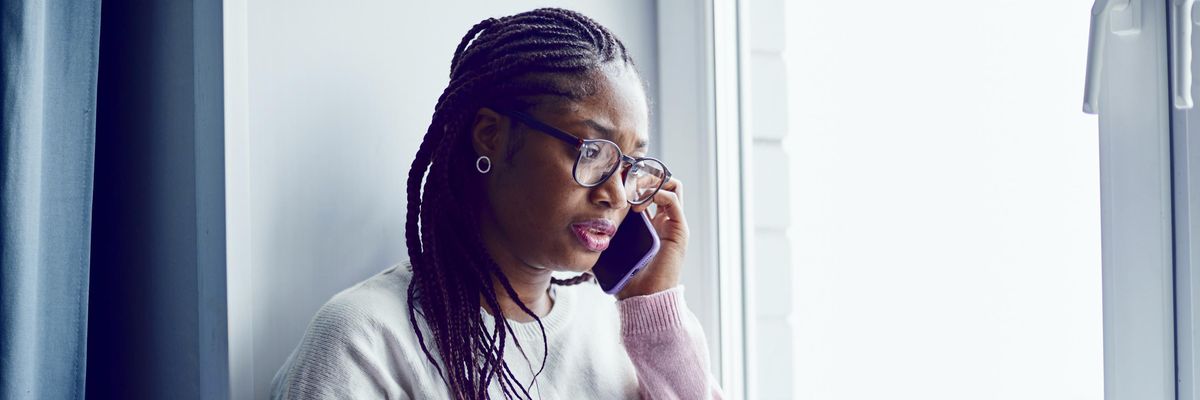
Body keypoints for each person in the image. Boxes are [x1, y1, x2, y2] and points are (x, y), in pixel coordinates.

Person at [271, 7, 723, 399]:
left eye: (630, 164)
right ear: (490, 135)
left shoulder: (618, 327)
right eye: (591, 152)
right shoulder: (365, 340)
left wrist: (655, 311)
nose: (616, 194)